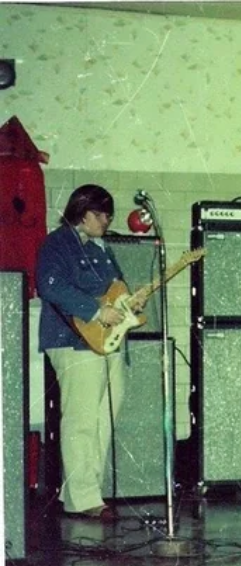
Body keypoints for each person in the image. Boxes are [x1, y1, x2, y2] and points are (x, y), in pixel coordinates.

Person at [36, 184, 146, 520]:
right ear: (84, 213)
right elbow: (49, 283)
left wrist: (130, 302)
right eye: (103, 215)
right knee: (83, 419)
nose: (108, 221)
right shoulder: (58, 243)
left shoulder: (102, 247)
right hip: (72, 340)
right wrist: (96, 312)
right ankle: (84, 498)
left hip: (106, 342)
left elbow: (114, 292)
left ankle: (82, 492)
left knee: (103, 419)